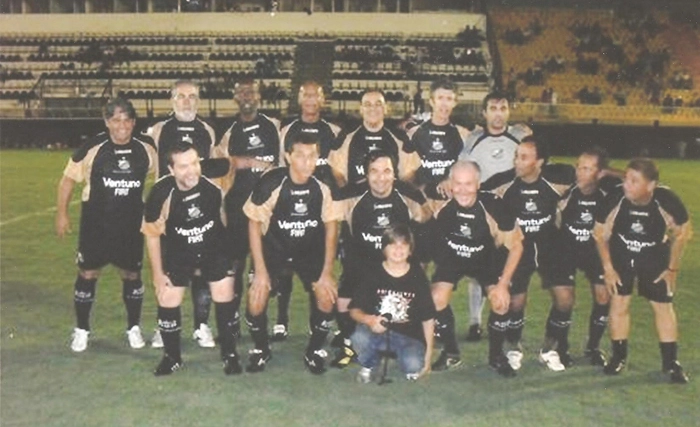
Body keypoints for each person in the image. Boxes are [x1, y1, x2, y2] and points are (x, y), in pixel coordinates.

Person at [56, 97, 156, 352]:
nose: (121, 125)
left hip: (131, 223)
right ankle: (82, 329)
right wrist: (62, 214)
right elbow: (67, 180)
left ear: (133, 122)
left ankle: (133, 327)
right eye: (115, 120)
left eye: (126, 120)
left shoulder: (147, 148)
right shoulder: (92, 147)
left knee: (131, 274)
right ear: (107, 122)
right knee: (88, 273)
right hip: (96, 223)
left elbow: (164, 177)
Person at [242, 133, 342, 374]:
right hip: (274, 249)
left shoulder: (324, 186)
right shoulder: (271, 183)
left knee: (327, 296)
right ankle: (261, 348)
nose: (307, 162)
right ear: (288, 156)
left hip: (309, 250)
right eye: (300, 156)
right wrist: (261, 272)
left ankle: (315, 350)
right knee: (256, 298)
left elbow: (331, 227)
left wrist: (327, 272)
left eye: (312, 156)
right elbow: (254, 225)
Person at [142, 142, 240, 376]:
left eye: (195, 163)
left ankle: (230, 354)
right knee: (167, 298)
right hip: (178, 251)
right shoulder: (160, 193)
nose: (192, 170)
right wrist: (157, 275)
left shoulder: (213, 185)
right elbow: (152, 234)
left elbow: (223, 216)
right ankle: (172, 357)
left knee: (224, 295)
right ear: (171, 169)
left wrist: (228, 256)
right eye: (183, 166)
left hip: (213, 248)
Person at [331, 151, 431, 368]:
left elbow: (427, 220)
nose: (380, 177)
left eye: (387, 171)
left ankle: (403, 341)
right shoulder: (350, 195)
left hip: (396, 265)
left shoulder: (408, 195)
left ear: (395, 174)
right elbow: (328, 217)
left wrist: (419, 264)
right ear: (366, 175)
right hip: (361, 262)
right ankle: (350, 342)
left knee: (407, 303)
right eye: (374, 172)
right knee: (341, 302)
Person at [594, 158, 690, 384]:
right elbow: (600, 235)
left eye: (634, 181)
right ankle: (618, 357)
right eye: (626, 178)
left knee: (663, 307)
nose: (626, 184)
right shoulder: (615, 199)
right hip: (621, 257)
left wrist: (672, 269)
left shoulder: (666, 200)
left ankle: (671, 362)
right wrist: (608, 268)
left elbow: (683, 233)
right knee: (619, 303)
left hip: (654, 257)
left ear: (651, 185)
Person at [482, 136, 574, 372]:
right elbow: (475, 190)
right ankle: (514, 347)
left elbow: (591, 176)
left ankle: (550, 348)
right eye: (516, 156)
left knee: (564, 298)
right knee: (515, 302)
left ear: (540, 162)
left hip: (550, 246)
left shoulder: (559, 179)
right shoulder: (503, 183)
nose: (517, 161)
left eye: (524, 157)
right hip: (517, 248)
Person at [430, 161, 523, 376]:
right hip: (453, 258)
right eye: (458, 183)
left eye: (469, 184)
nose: (463, 190)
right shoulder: (439, 201)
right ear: (450, 184)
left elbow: (517, 246)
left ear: (478, 184)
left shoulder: (495, 207)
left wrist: (502, 285)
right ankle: (451, 352)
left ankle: (496, 356)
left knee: (500, 302)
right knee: (436, 298)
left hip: (486, 260)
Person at [148, 79, 218, 349]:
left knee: (201, 271)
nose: (187, 101)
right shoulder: (158, 130)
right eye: (181, 96)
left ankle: (201, 326)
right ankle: (163, 325)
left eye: (192, 96)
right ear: (172, 100)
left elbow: (210, 171)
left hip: (199, 212)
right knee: (167, 269)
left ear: (198, 100)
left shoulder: (207, 130)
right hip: (168, 212)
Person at [458, 91, 532, 342]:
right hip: (484, 213)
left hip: (515, 213)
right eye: (493, 108)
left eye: (503, 108)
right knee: (479, 270)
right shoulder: (474, 139)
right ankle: (475, 322)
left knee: (515, 267)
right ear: (485, 112)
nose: (498, 113)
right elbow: (462, 169)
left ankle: (508, 321)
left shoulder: (521, 136)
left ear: (509, 111)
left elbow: (534, 163)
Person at [272, 81, 343, 341]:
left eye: (317, 94)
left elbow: (339, 172)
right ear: (299, 99)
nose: (312, 99)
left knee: (320, 269)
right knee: (285, 270)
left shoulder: (334, 132)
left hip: (322, 211)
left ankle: (318, 321)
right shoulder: (286, 131)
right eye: (307, 94)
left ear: (323, 99)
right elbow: (280, 170)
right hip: (290, 210)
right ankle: (281, 320)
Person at [213, 80, 281, 342]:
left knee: (263, 269)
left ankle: (258, 322)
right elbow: (220, 165)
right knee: (235, 267)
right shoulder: (229, 131)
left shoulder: (273, 126)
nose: (246, 96)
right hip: (237, 210)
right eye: (241, 92)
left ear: (259, 96)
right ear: (235, 97)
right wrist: (247, 161)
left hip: (268, 212)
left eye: (250, 92)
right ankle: (231, 323)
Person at [554, 147, 620, 366]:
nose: (580, 172)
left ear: (600, 173)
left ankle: (593, 347)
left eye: (587, 168)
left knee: (603, 297)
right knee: (565, 300)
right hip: (567, 251)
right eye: (579, 166)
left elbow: (640, 178)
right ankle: (561, 348)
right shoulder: (567, 192)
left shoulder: (609, 193)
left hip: (595, 253)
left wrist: (609, 173)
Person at [350, 224, 436, 383]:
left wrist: (428, 357)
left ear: (410, 250)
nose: (398, 250)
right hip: (377, 333)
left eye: (403, 245)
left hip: (409, 337)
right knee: (359, 337)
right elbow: (354, 310)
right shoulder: (372, 273)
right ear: (384, 249)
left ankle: (405, 359)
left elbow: (428, 318)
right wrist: (370, 320)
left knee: (413, 365)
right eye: (392, 245)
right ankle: (369, 364)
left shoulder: (418, 276)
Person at [405, 78, 474, 264]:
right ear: (432, 100)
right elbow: (406, 175)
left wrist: (452, 180)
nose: (444, 103)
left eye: (449, 98)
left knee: (450, 267)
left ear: (455, 102)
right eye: (440, 98)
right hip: (423, 207)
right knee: (419, 263)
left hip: (451, 209)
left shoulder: (464, 135)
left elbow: (471, 171)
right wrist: (421, 198)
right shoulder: (415, 134)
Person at [328, 89, 418, 189]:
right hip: (356, 200)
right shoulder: (346, 137)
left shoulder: (400, 138)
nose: (373, 108)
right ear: (361, 109)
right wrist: (349, 198)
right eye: (368, 104)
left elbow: (408, 175)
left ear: (385, 108)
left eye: (378, 104)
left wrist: (395, 198)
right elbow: (338, 174)